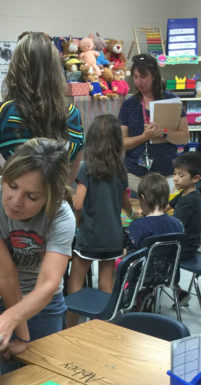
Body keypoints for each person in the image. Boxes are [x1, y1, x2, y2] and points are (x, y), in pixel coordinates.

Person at [0, 138, 75, 370]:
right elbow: (5, 273)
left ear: (50, 197)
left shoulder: (61, 215)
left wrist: (15, 322)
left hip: (43, 298)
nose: (15, 202)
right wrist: (19, 329)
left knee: (43, 375)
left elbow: (49, 283)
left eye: (32, 197)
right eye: (12, 186)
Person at [0, 32, 84, 187]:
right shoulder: (72, 114)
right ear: (55, 70)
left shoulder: (0, 113)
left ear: (16, 68)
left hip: (9, 206)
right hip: (54, 206)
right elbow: (68, 178)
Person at [66, 114, 132, 328]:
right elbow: (126, 203)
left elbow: (78, 204)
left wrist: (69, 195)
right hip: (113, 237)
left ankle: (70, 327)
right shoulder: (120, 169)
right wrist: (133, 215)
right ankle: (106, 326)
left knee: (75, 282)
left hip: (90, 236)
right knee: (106, 283)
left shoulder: (86, 168)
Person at [119, 53, 190, 193]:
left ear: (154, 75)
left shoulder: (171, 100)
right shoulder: (129, 104)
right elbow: (122, 142)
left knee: (164, 213)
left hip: (167, 175)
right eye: (135, 76)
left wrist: (163, 132)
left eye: (143, 76)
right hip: (135, 176)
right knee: (136, 213)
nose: (139, 81)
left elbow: (184, 137)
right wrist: (145, 137)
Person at [168, 151, 201, 304]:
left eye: (181, 175)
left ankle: (176, 289)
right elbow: (168, 205)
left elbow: (174, 226)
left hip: (185, 248)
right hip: (188, 244)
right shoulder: (187, 193)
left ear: (195, 178)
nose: (176, 178)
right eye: (175, 173)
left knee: (157, 250)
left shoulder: (188, 201)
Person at [125, 172, 183, 251]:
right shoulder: (177, 223)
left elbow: (130, 255)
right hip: (171, 263)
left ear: (143, 198)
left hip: (144, 263)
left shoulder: (136, 226)